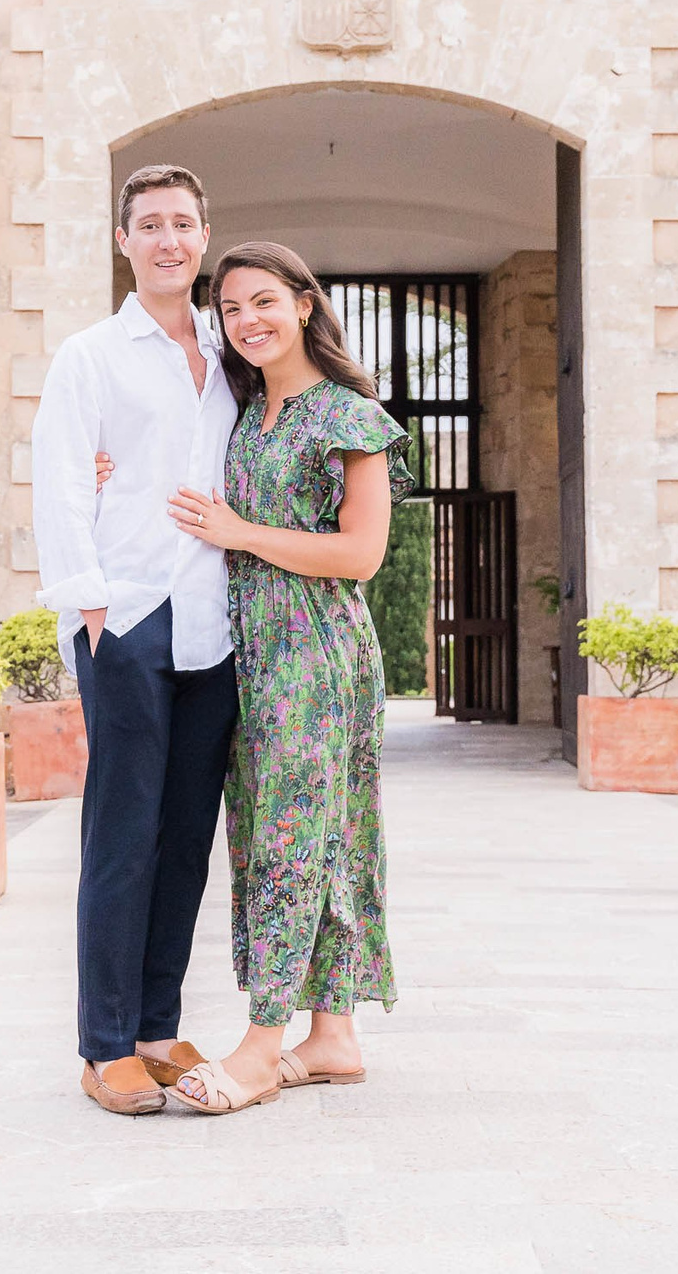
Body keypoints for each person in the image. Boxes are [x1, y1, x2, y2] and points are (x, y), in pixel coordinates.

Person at [157, 240, 409, 1116]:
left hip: (320, 657)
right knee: (292, 830)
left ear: (305, 304)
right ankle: (332, 1037)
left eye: (264, 301)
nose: (247, 321)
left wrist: (243, 533)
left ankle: (264, 1041)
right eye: (229, 309)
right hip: (251, 655)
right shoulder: (236, 408)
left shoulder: (348, 415)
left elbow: (362, 553)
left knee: (296, 839)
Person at [30, 163, 241, 1116]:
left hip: (215, 618)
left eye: (183, 224)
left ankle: (158, 1024)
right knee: (124, 831)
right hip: (128, 615)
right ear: (124, 241)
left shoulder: (231, 351)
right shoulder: (91, 356)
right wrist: (89, 605)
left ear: (204, 238)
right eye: (149, 223)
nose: (167, 239)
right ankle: (104, 1043)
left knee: (189, 834)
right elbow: (64, 477)